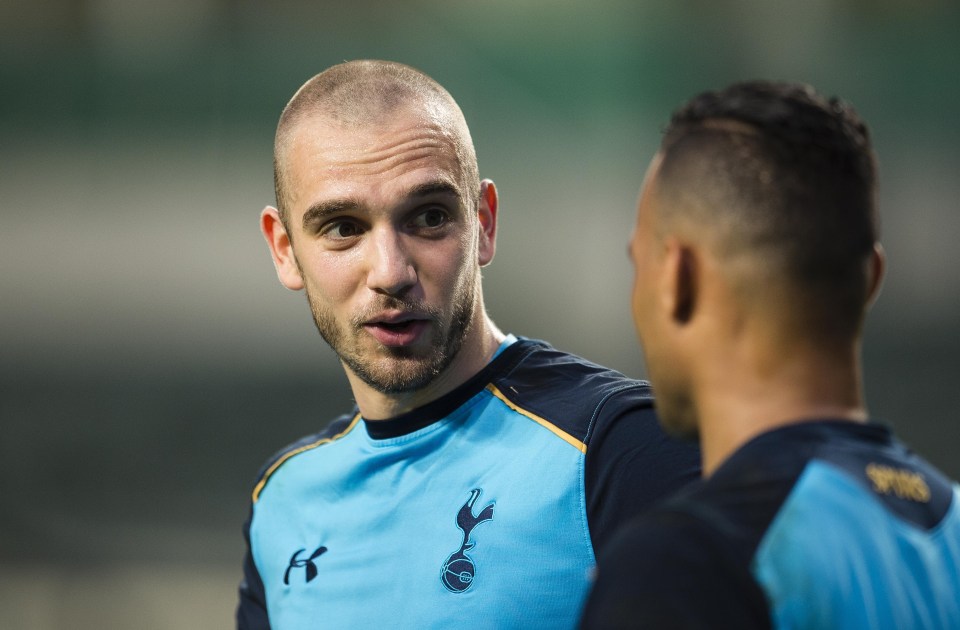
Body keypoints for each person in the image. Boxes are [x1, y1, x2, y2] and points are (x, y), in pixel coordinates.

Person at [235, 60, 700, 629]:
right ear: (284, 249)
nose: (390, 271)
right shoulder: (283, 502)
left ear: (483, 222)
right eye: (343, 228)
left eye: (428, 217)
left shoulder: (623, 450)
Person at [580, 81, 960, 628]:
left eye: (638, 262)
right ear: (873, 278)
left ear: (676, 278)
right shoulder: (948, 532)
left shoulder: (684, 565)